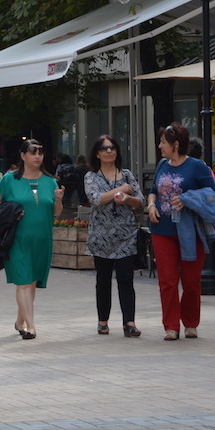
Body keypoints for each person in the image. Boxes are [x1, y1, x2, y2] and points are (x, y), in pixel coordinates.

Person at [146, 122, 215, 341]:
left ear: (176, 144)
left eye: (163, 142)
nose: (159, 146)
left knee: (190, 281)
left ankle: (191, 323)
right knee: (167, 281)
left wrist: (188, 200)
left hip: (192, 232)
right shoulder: (161, 165)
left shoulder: (197, 167)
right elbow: (153, 191)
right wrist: (150, 206)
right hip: (162, 230)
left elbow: (212, 196)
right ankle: (171, 326)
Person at [0, 139, 64, 340]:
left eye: (40, 152)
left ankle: (20, 320)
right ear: (23, 156)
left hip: (42, 240)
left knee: (31, 283)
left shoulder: (50, 182)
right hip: (16, 238)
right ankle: (31, 326)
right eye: (33, 152)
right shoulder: (9, 180)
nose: (37, 156)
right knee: (23, 282)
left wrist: (58, 199)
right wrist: (9, 213)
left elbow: (56, 213)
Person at [84, 135, 144, 337]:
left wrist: (128, 198)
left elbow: (141, 201)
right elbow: (96, 199)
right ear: (97, 154)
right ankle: (103, 321)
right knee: (103, 280)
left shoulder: (126, 174)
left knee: (126, 279)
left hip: (126, 235)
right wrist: (120, 190)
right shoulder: (92, 176)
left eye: (112, 148)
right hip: (101, 236)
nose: (109, 151)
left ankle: (130, 322)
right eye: (104, 148)